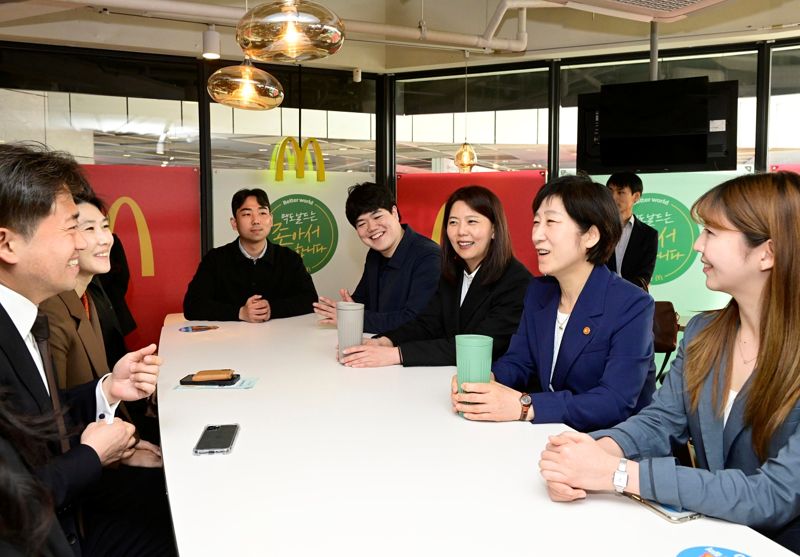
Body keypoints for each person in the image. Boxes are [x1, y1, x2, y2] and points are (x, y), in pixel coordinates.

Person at [538, 172, 800, 553]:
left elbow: (773, 494)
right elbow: (662, 420)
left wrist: (618, 473)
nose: (697, 245)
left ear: (768, 252)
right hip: (712, 535)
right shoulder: (704, 332)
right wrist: (595, 450)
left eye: (712, 233)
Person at [0, 142, 169, 555]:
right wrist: (94, 455)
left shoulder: (27, 316)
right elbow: (12, 505)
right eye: (72, 228)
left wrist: (106, 389)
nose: (84, 243)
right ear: (7, 245)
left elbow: (37, 420)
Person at [450, 175, 655, 430]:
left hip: (608, 445)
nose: (537, 235)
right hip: (550, 433)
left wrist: (525, 406)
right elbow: (520, 361)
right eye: (536, 222)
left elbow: (615, 401)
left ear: (590, 235)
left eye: (551, 222)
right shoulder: (539, 291)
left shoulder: (631, 304)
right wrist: (487, 380)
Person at [340, 185, 531, 367]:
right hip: (446, 377)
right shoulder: (453, 271)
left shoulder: (516, 281)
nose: (461, 231)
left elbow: (475, 346)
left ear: (495, 229)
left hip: (492, 386)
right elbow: (428, 323)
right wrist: (386, 341)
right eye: (453, 222)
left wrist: (396, 354)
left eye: (472, 221)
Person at [39, 192, 162, 463]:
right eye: (87, 229)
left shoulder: (88, 298)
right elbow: (55, 420)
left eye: (105, 227)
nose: (105, 239)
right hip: (83, 466)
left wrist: (131, 443)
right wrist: (122, 455)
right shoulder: (50, 312)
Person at [312, 182, 440, 334]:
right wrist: (346, 308)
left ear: (394, 212)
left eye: (377, 216)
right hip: (377, 345)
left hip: (410, 353)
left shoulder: (429, 257)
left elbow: (415, 320)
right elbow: (362, 300)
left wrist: (354, 318)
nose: (371, 228)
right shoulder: (375, 254)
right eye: (361, 223)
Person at [183, 187, 317, 322]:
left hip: (280, 340)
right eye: (247, 214)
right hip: (230, 340)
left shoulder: (289, 259)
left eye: (262, 213)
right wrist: (239, 312)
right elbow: (192, 306)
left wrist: (272, 309)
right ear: (234, 223)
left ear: (271, 220)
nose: (256, 220)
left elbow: (310, 299)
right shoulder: (215, 260)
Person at [605, 172, 658, 289]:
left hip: (632, 298)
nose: (613, 197)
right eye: (610, 191)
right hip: (599, 295)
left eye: (620, 192)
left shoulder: (649, 234)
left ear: (636, 197)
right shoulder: (597, 229)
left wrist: (621, 290)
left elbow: (645, 275)